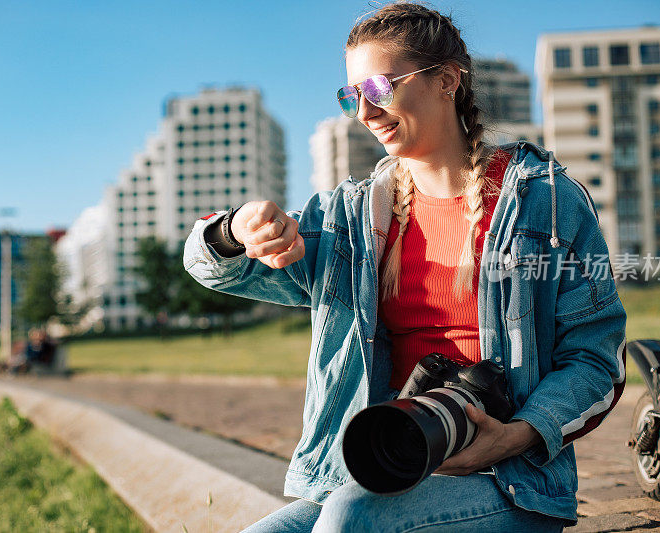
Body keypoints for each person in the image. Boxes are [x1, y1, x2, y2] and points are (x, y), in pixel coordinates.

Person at [184, 3, 627, 531]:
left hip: (507, 480)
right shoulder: (350, 221)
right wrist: (236, 231)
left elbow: (597, 358)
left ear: (446, 79)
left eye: (379, 88)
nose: (366, 113)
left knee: (352, 518)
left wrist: (516, 435)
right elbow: (208, 265)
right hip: (384, 463)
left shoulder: (547, 203)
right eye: (353, 97)